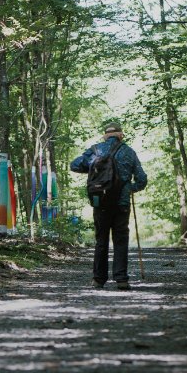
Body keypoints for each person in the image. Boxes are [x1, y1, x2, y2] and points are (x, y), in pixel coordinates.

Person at [70, 121, 147, 290]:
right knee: (120, 239)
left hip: (100, 201)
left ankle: (98, 279)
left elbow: (74, 165)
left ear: (105, 136)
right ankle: (121, 279)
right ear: (121, 135)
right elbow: (142, 179)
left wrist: (93, 169)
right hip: (122, 203)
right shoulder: (129, 152)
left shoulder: (95, 150)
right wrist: (130, 189)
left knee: (101, 240)